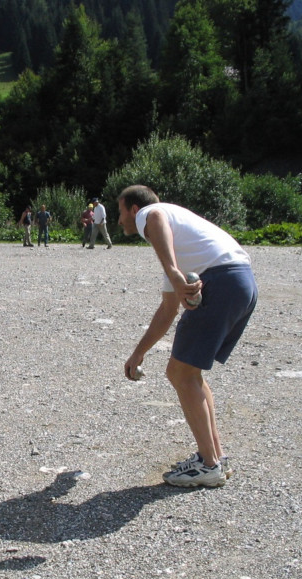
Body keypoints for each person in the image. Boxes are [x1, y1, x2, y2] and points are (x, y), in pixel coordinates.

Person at [117, 184, 258, 488]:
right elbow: (168, 310)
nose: (120, 221)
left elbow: (153, 218)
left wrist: (174, 272)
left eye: (120, 212)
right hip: (241, 282)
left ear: (132, 209)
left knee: (180, 373)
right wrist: (138, 353)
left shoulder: (152, 214)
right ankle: (215, 457)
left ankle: (208, 465)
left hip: (220, 281)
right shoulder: (182, 246)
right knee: (189, 373)